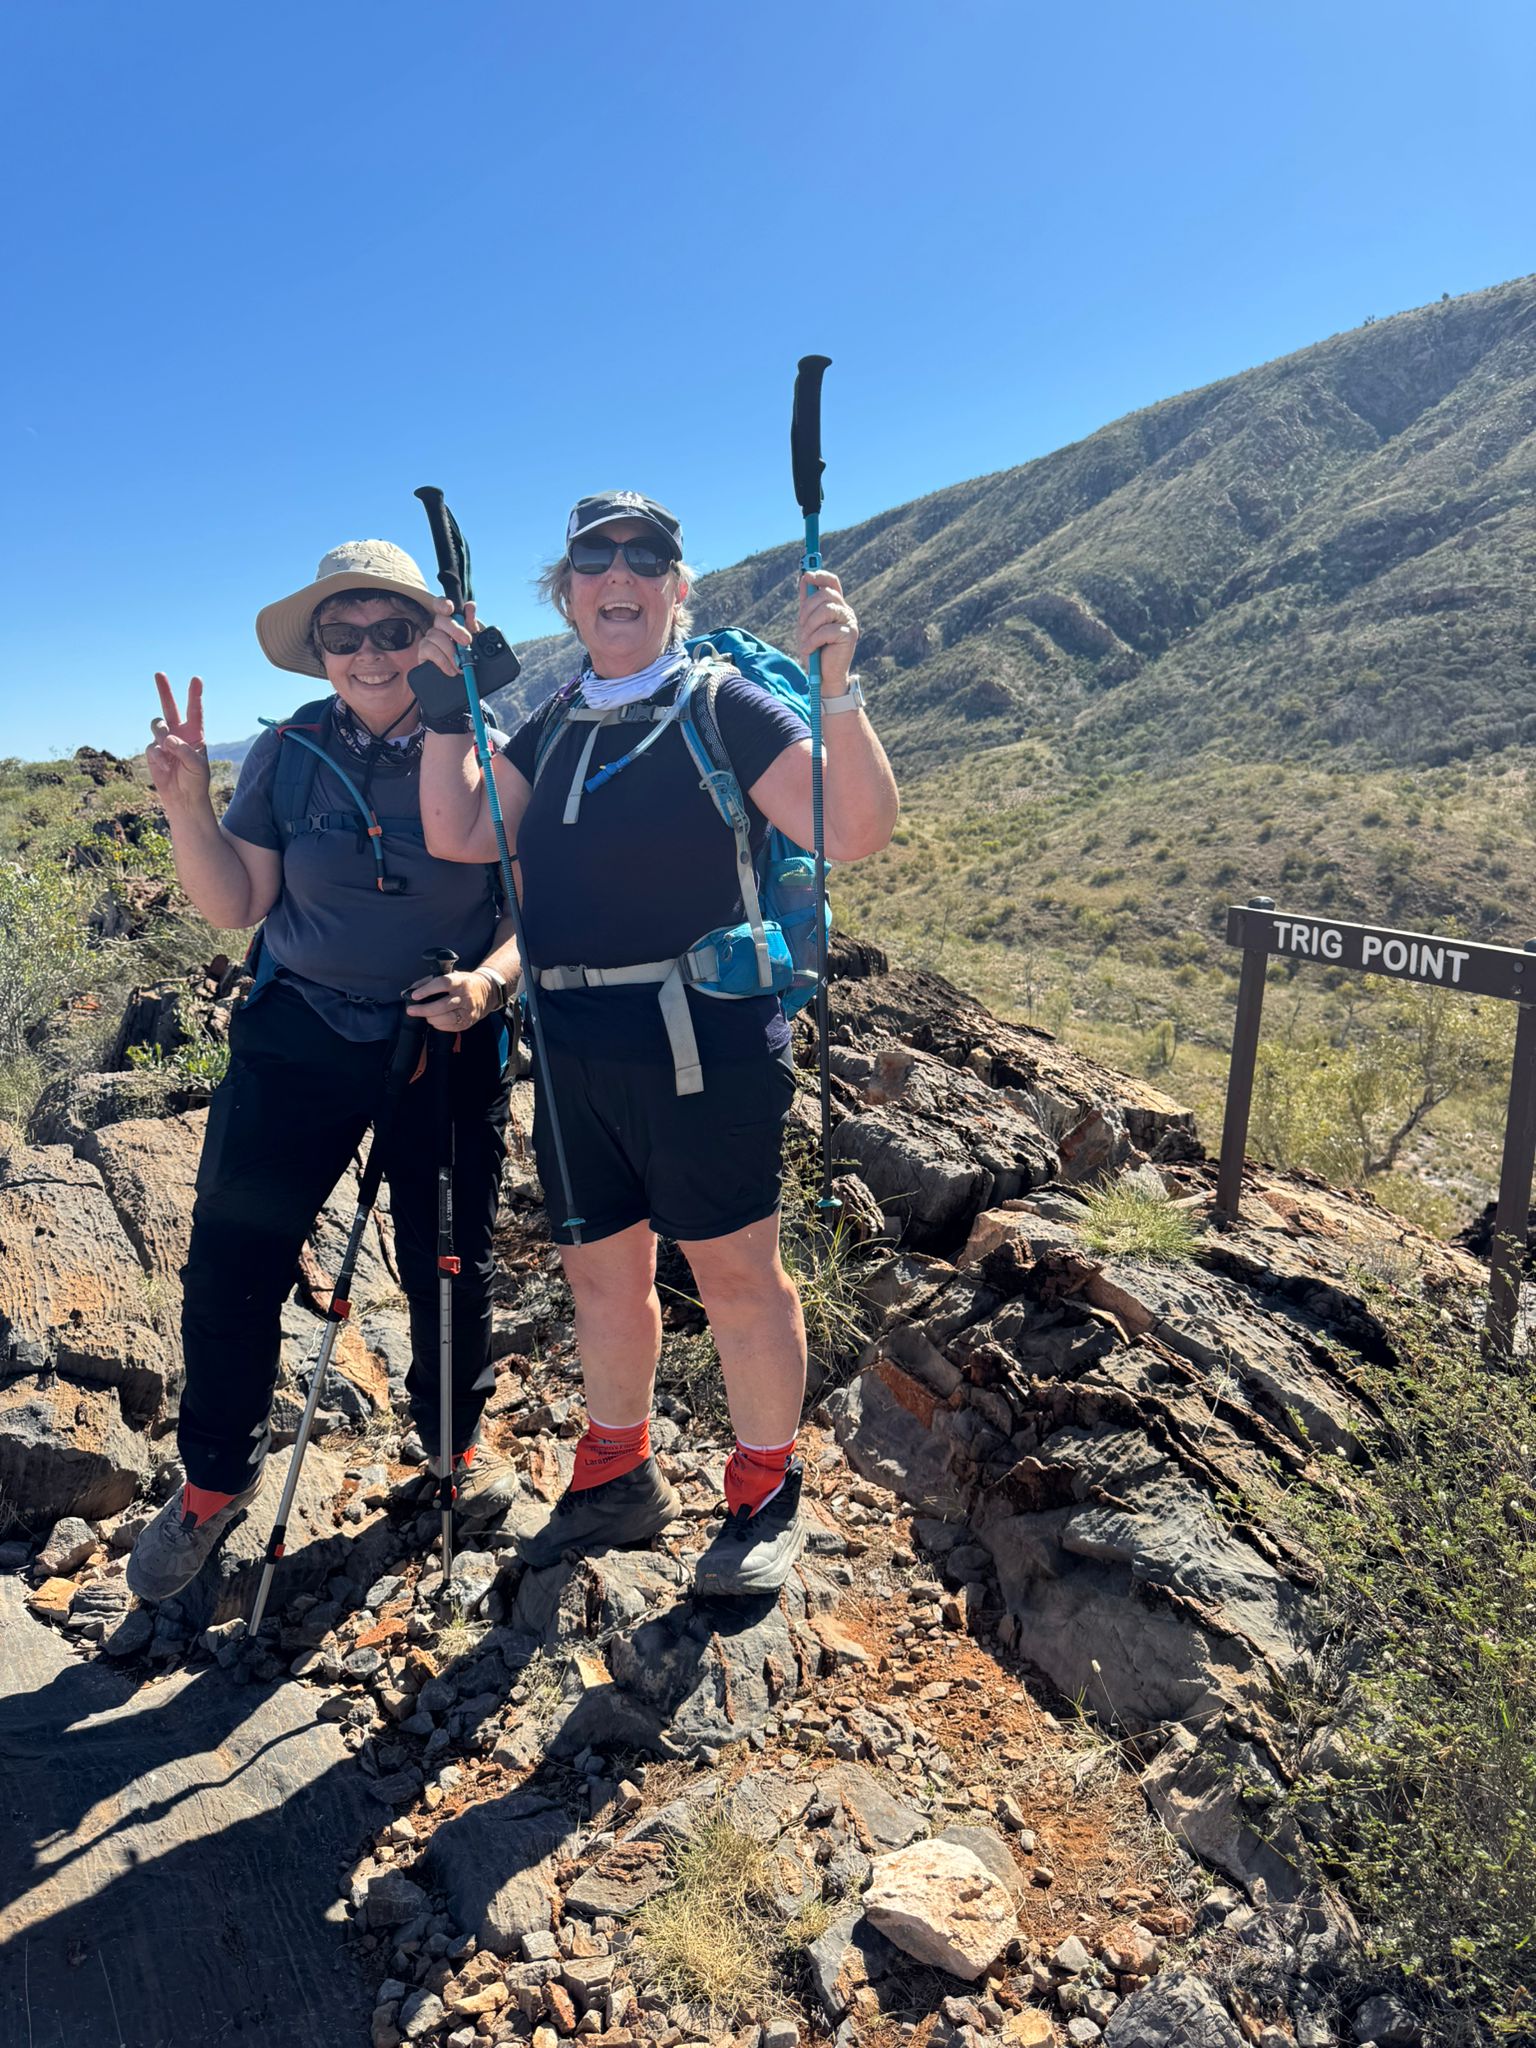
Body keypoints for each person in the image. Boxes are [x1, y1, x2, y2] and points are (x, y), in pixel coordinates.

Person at [414, 494, 898, 1594]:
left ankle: (764, 1489)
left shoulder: (723, 704)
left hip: (706, 1044)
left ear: (679, 589)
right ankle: (616, 1472)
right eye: (595, 560)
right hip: (573, 1047)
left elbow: (856, 827)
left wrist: (836, 683)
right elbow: (463, 830)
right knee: (600, 1277)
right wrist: (447, 710)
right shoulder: (554, 721)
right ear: (568, 593)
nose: (619, 575)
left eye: (647, 559)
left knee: (736, 1278)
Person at [127, 541, 523, 1604]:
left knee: (448, 1259)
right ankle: (215, 1480)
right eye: (343, 635)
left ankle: (452, 1449)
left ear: (430, 638)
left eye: (392, 629)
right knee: (233, 1253)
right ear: (319, 652)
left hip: (444, 1036)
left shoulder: (488, 744)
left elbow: (533, 912)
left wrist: (486, 986)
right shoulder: (290, 750)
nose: (368, 652)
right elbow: (237, 904)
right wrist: (187, 806)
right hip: (297, 1028)